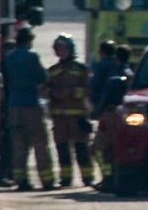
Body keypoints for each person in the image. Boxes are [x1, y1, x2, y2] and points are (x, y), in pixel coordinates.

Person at [1, 28, 54, 190]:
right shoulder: (32, 57)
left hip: (13, 106)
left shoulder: (8, 58)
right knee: (40, 143)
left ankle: (21, 180)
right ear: (29, 41)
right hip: (31, 104)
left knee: (19, 145)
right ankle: (47, 180)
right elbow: (43, 78)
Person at [46, 35, 95, 187]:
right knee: (62, 149)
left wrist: (66, 93)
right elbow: (46, 90)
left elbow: (87, 90)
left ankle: (88, 177)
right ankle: (66, 178)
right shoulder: (52, 70)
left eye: (64, 49)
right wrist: (50, 93)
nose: (61, 52)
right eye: (58, 49)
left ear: (71, 50)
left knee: (81, 149)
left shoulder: (81, 70)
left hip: (77, 117)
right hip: (59, 118)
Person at [91, 45, 135, 190]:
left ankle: (107, 178)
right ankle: (113, 177)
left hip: (110, 113)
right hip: (127, 114)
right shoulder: (132, 74)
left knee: (99, 147)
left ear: (116, 57)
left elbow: (106, 97)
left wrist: (96, 113)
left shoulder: (114, 76)